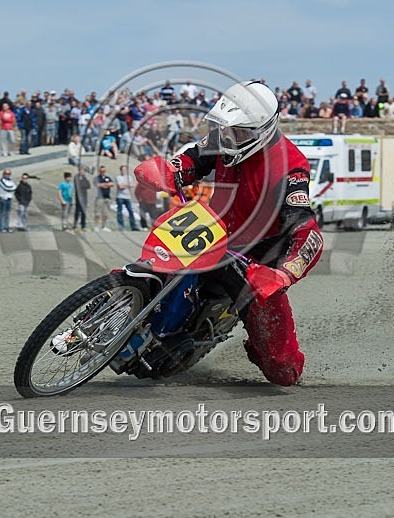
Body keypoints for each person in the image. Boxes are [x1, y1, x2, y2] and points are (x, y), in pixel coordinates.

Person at [134, 80, 323, 386]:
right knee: (155, 261)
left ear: (263, 130)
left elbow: (306, 232)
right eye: (227, 130)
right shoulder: (225, 137)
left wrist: (283, 275)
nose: (230, 139)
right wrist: (172, 170)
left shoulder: (290, 167)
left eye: (240, 133)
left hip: (254, 263)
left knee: (282, 371)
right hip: (210, 230)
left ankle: (253, 343)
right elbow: (193, 158)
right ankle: (109, 307)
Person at [115, 165, 139, 231]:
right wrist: (127, 185)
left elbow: (133, 185)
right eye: (123, 169)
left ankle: (133, 226)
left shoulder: (129, 177)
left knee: (130, 211)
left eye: (125, 169)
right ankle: (121, 227)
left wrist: (125, 185)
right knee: (119, 212)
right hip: (120, 196)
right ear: (120, 170)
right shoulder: (118, 177)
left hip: (127, 197)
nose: (124, 171)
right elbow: (120, 186)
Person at [94, 165, 114, 231]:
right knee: (97, 213)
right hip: (99, 197)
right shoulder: (97, 178)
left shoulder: (108, 177)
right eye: (101, 171)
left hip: (107, 197)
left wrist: (104, 185)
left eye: (104, 171)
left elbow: (112, 184)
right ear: (99, 171)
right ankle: (96, 226)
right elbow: (98, 185)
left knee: (105, 213)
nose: (103, 172)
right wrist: (106, 184)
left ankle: (104, 226)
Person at [72, 166, 91, 231]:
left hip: (84, 196)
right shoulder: (76, 177)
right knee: (77, 211)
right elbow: (78, 186)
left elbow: (88, 186)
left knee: (84, 211)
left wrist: (86, 181)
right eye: (82, 170)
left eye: (84, 171)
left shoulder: (85, 177)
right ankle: (75, 225)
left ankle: (83, 225)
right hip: (79, 196)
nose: (83, 172)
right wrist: (83, 184)